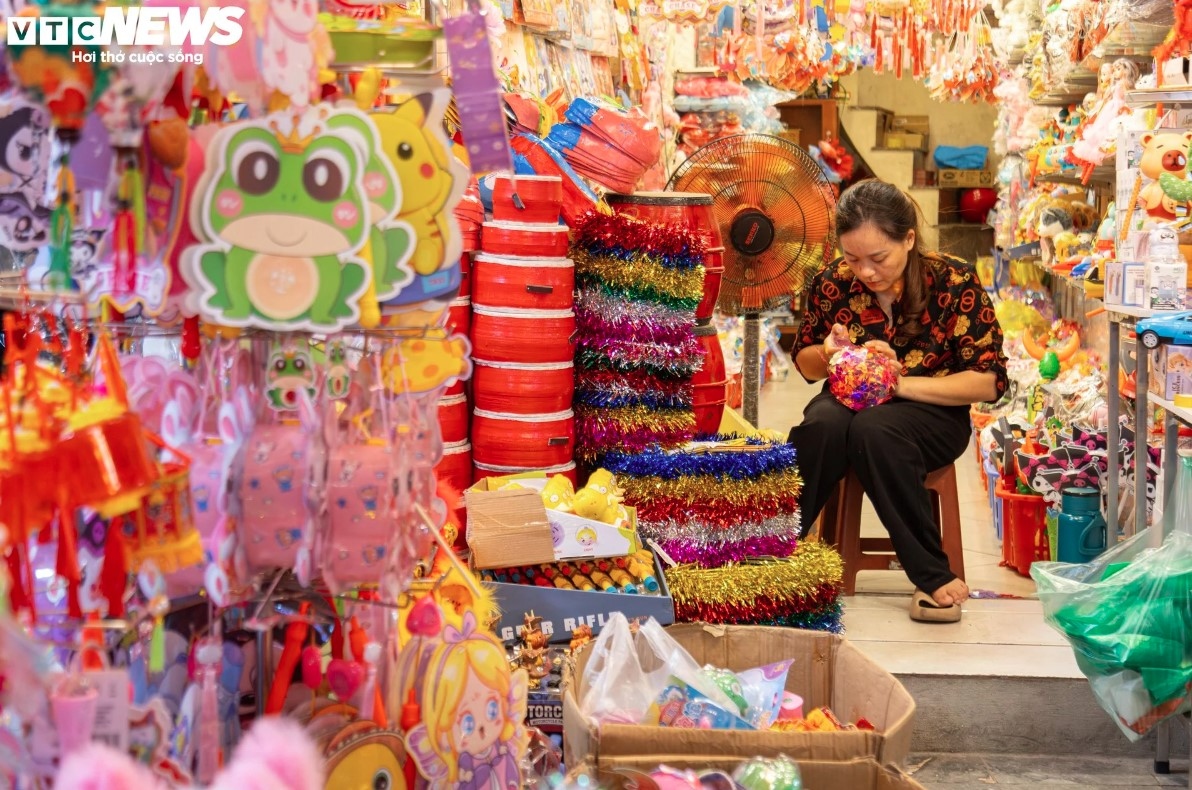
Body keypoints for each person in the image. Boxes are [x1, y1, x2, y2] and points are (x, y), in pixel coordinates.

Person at [788, 179, 1008, 623]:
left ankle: (930, 572)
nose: (866, 272)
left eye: (878, 258)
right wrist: (829, 352)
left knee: (876, 430)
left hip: (931, 411)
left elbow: (988, 382)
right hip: (848, 399)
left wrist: (898, 383)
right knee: (821, 427)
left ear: (908, 239)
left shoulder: (953, 282)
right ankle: (773, 547)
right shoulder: (832, 283)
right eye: (853, 259)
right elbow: (806, 364)